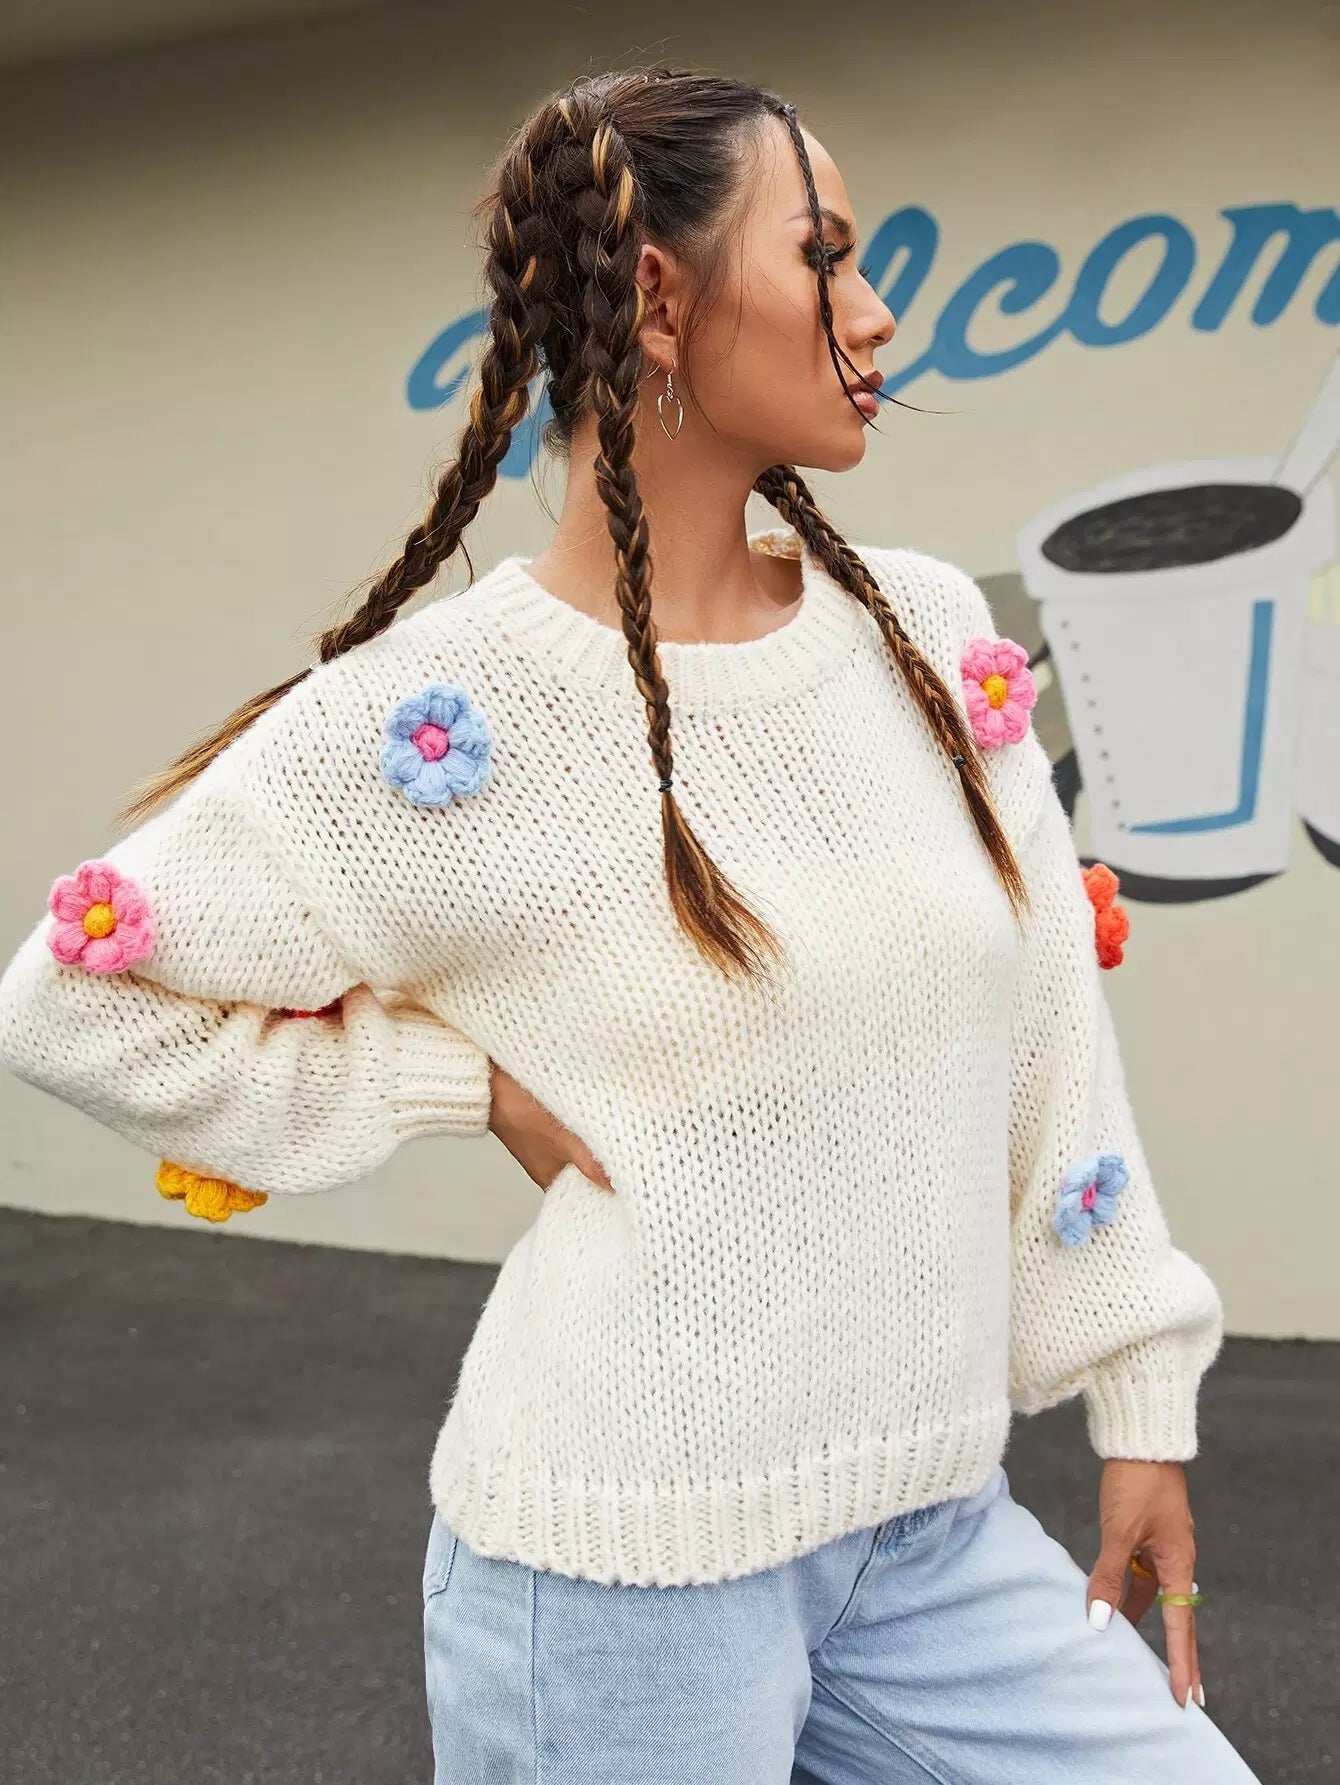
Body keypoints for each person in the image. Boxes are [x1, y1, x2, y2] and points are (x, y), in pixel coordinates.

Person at [0, 64, 1262, 1785]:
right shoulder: (448, 720)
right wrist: (457, 1084)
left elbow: (1051, 1032)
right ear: (659, 299)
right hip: (617, 1575)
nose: (878, 313)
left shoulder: (922, 636)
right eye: (825, 255)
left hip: (930, 1537)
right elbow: (74, 1002)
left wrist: (1140, 1399)